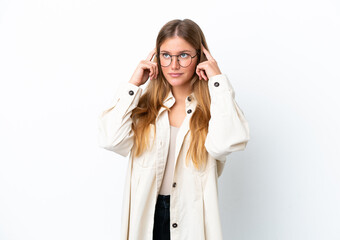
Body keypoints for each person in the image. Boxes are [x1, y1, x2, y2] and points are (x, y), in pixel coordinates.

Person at [98, 19, 250, 240]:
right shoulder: (143, 106)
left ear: (201, 57)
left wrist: (217, 81)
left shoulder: (214, 109)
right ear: (156, 58)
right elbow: (110, 139)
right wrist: (132, 85)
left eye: (184, 55)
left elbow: (226, 144)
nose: (174, 65)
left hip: (191, 216)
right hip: (148, 215)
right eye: (166, 55)